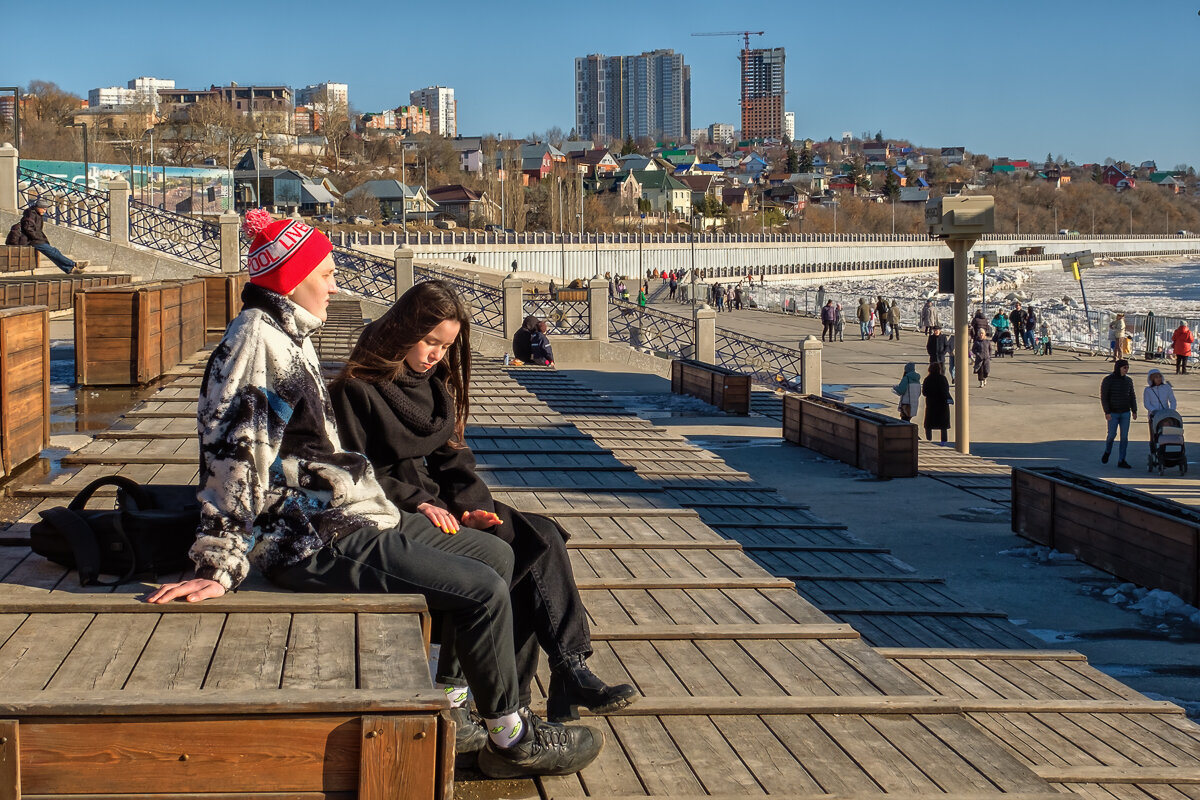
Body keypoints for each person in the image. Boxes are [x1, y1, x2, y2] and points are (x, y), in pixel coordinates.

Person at [146, 211, 603, 778]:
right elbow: (233, 457)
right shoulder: (255, 344)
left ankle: (459, 708)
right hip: (310, 539)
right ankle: (511, 739)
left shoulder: (288, 337)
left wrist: (396, 504)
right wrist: (219, 562)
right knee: (484, 590)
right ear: (291, 277)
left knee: (500, 553)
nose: (336, 285)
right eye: (327, 272)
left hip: (349, 513)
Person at [331, 281, 637, 729]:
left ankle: (570, 665)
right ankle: (520, 702)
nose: (436, 354)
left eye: (446, 345)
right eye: (430, 341)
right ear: (402, 330)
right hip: (398, 512)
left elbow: (453, 459)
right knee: (516, 558)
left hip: (448, 506)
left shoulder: (435, 387)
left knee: (543, 536)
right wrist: (417, 504)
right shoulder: (356, 389)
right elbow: (359, 470)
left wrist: (474, 508)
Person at [18, 198, 87, 274]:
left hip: (35, 239)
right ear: (38, 207)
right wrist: (37, 237)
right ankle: (74, 264)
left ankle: (70, 269)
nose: (45, 211)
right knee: (53, 252)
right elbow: (28, 228)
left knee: (53, 252)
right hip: (30, 240)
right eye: (43, 209)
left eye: (46, 209)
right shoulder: (30, 215)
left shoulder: (36, 214)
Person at [1099, 359, 1138, 468]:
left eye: (1127, 367)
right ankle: (1107, 451)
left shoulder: (1128, 381)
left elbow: (1132, 396)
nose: (1126, 370)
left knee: (1124, 437)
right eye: (1124, 367)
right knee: (1111, 435)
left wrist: (1134, 410)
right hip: (1113, 413)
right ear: (1118, 368)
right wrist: (1107, 411)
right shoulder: (1108, 380)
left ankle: (1122, 459)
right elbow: (1104, 397)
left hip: (1125, 412)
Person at [1143, 368, 1178, 447]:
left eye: (1159, 377)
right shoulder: (1148, 390)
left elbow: (1173, 400)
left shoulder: (1167, 388)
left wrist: (1171, 411)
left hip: (1166, 415)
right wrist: (1154, 411)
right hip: (1154, 416)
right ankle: (1153, 450)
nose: (1158, 379)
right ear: (1152, 379)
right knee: (1154, 435)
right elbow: (1147, 404)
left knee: (1167, 435)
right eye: (1156, 377)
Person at [921, 363, 952, 443]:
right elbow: (946, 390)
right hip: (942, 405)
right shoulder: (943, 379)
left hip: (931, 404)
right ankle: (943, 442)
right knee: (943, 425)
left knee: (929, 424)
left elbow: (924, 392)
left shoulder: (927, 379)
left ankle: (929, 440)